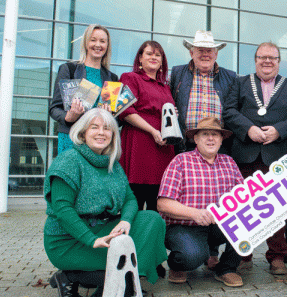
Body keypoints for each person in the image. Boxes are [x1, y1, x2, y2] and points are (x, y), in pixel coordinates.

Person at [43, 108, 167, 297]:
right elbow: (62, 209)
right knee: (118, 275)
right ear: (83, 132)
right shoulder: (68, 160)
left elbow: (130, 199)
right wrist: (91, 239)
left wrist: (125, 221)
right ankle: (67, 277)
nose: (101, 132)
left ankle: (120, 278)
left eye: (107, 128)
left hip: (102, 229)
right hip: (68, 240)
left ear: (113, 135)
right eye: (95, 127)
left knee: (151, 219)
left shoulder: (112, 163)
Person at [222, 42, 287, 275]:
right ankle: (242, 255)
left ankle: (277, 256)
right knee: (243, 207)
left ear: (279, 61)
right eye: (262, 57)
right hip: (245, 154)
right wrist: (248, 129)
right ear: (255, 59)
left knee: (276, 208)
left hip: (277, 156)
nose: (267, 61)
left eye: (272, 57)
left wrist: (279, 130)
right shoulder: (239, 83)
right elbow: (228, 111)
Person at [157, 117, 244, 287]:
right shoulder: (180, 161)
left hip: (218, 226)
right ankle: (177, 263)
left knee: (249, 224)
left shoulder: (230, 162)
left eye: (215, 135)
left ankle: (227, 269)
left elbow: (245, 196)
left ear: (221, 140)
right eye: (205, 134)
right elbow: (163, 204)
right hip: (184, 226)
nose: (210, 138)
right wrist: (195, 213)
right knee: (193, 256)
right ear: (195, 139)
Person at [119, 41, 175, 212]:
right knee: (134, 201)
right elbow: (125, 110)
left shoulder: (165, 87)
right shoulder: (129, 77)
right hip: (140, 145)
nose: (153, 57)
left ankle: (153, 237)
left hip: (162, 148)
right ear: (140, 58)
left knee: (157, 203)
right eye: (149, 53)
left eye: (157, 55)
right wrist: (152, 130)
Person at [49, 24, 118, 154]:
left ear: (107, 46)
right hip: (72, 138)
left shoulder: (112, 78)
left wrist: (109, 116)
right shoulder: (69, 70)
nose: (98, 45)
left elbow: (116, 120)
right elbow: (54, 108)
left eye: (102, 41)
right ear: (86, 43)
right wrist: (68, 117)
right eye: (93, 40)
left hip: (99, 141)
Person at [170, 30, 237, 154]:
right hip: (185, 147)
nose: (205, 54)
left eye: (209, 51)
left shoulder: (230, 77)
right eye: (200, 50)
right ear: (191, 53)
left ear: (216, 54)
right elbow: (166, 100)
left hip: (219, 149)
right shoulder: (177, 73)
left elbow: (235, 110)